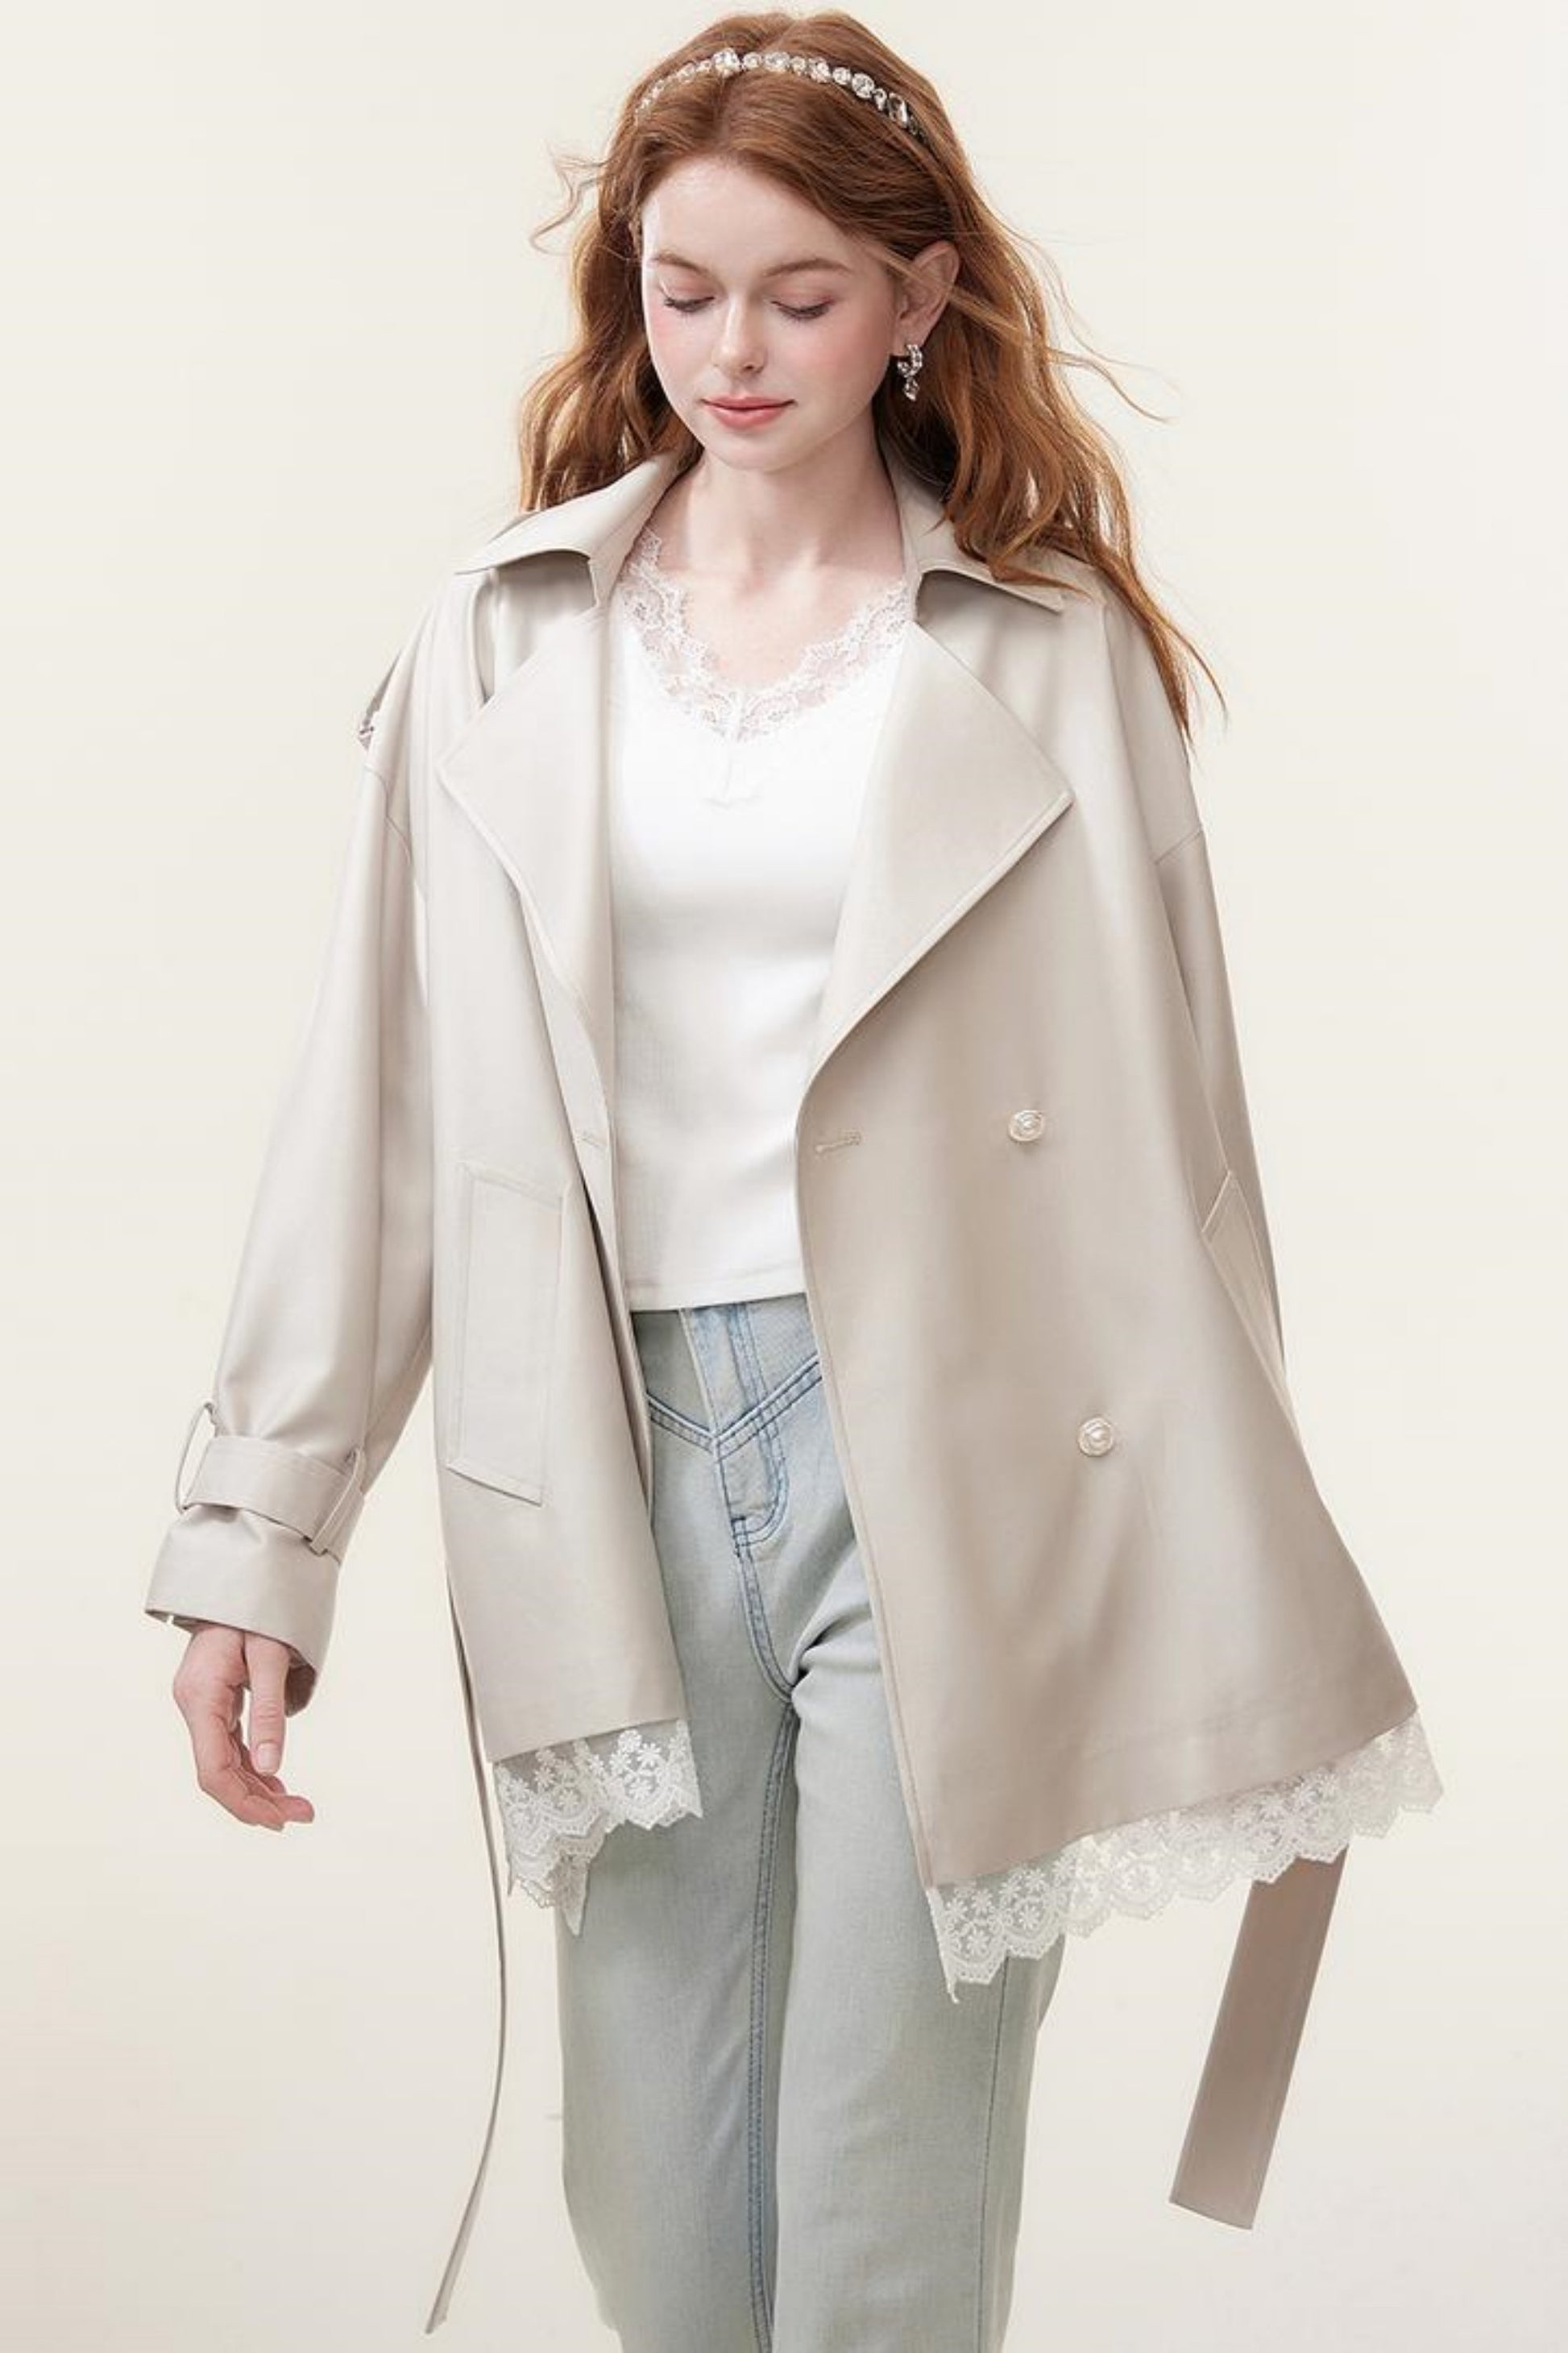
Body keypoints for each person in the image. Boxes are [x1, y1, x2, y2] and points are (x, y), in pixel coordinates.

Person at [148, 15, 1442, 2347]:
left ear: (918, 297)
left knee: (885, 2179)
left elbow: (1180, 1134)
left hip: (945, 1442)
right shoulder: (500, 637)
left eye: (801, 295)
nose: (732, 351)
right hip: (604, 1453)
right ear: (628, 293)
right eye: (683, 291)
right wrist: (265, 1534)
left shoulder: (1048, 653)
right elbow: (381, 1111)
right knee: (651, 2200)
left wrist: (1226, 1517)